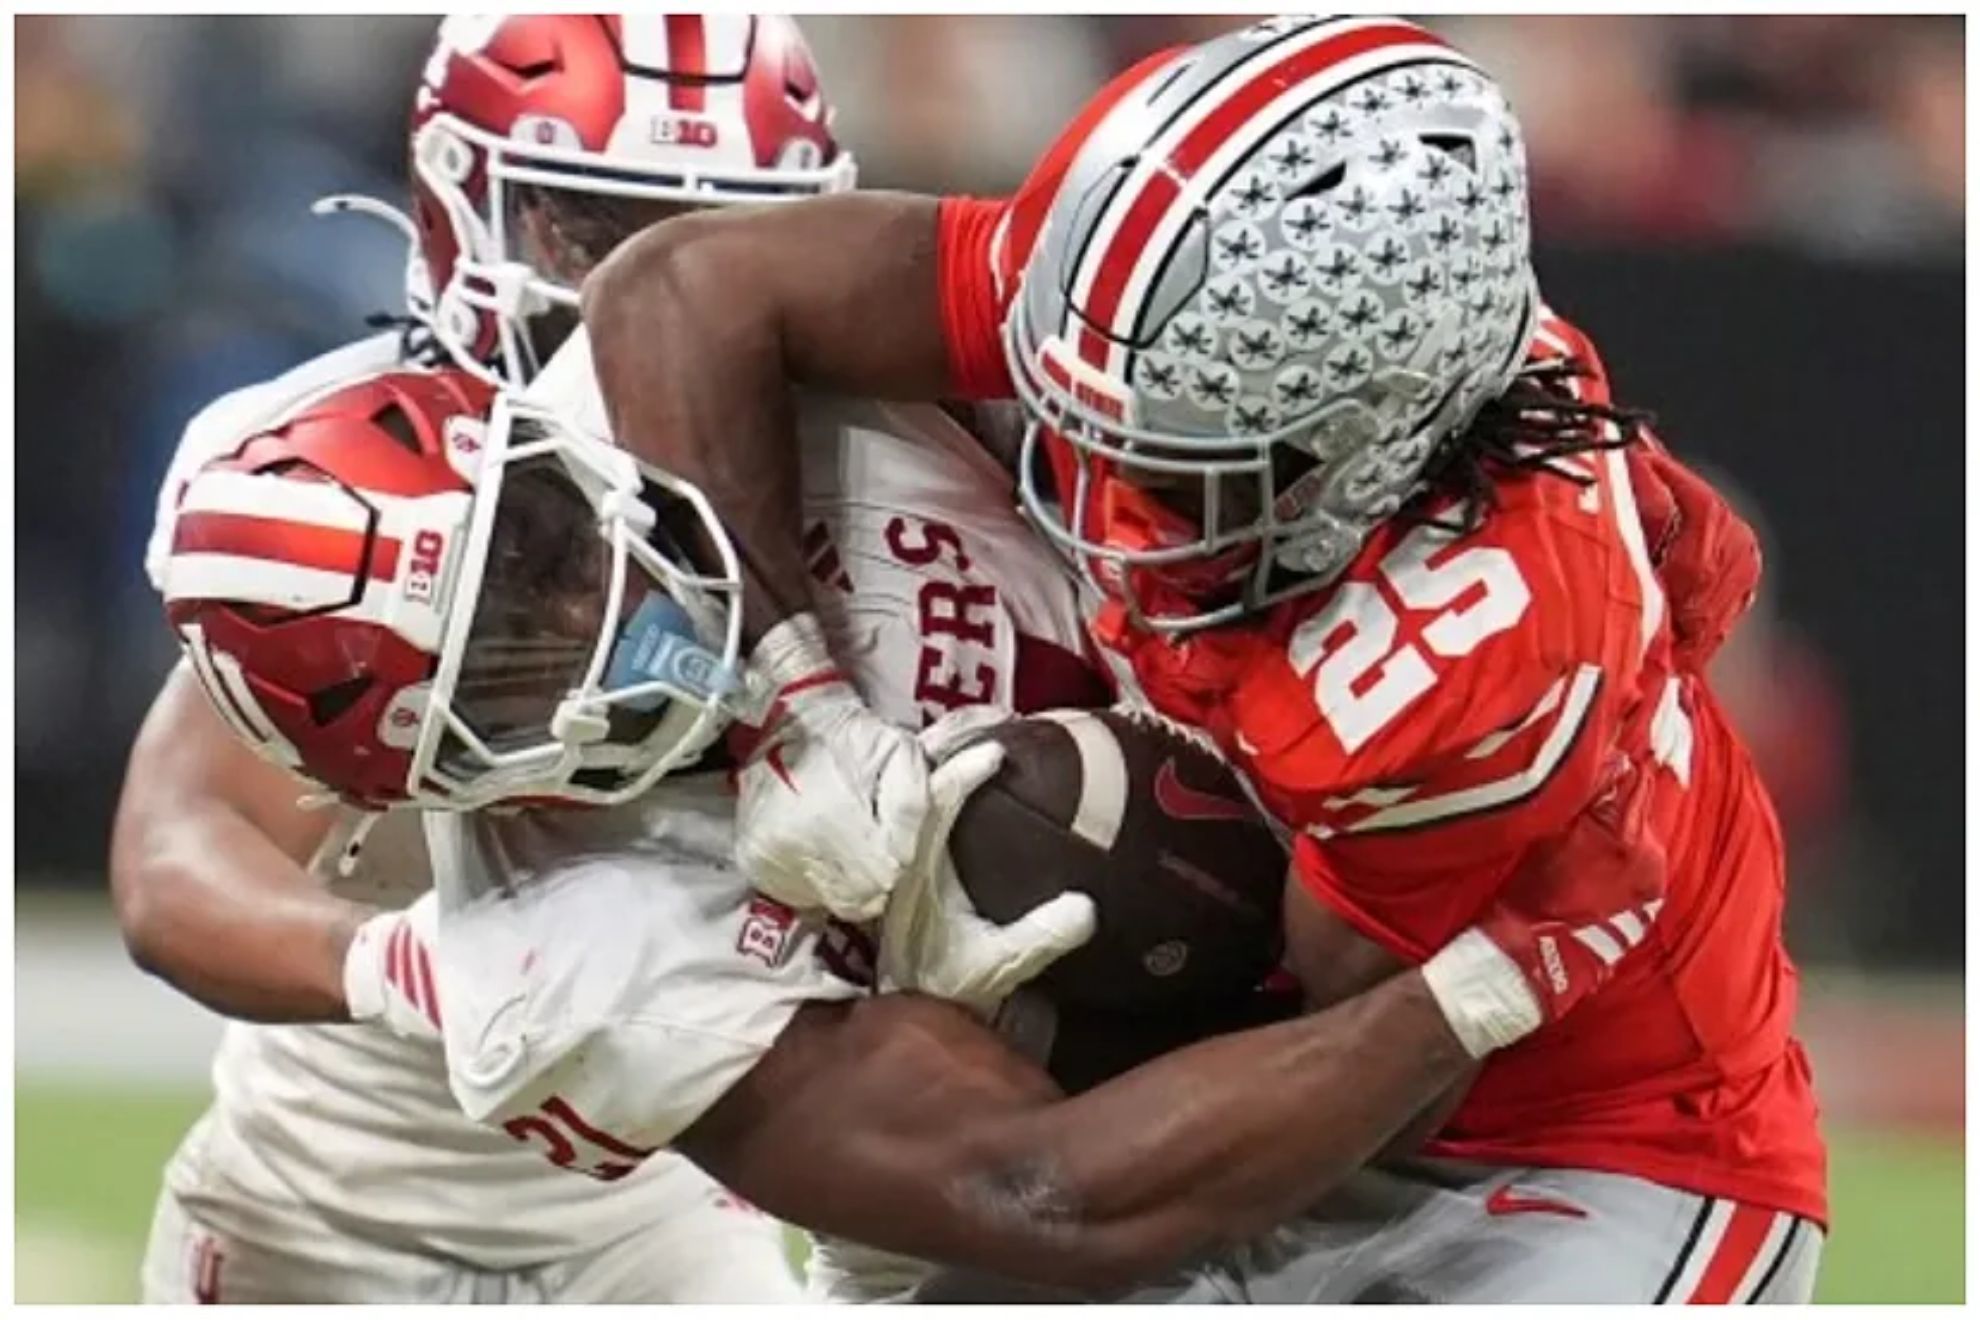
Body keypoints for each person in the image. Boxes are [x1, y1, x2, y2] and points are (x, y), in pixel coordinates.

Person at [577, 14, 1825, 1301]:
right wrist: (793, 694)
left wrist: (972, 997)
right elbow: (678, 289)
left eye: (1175, 469)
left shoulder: (1468, 657)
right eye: (1091, 428)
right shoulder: (1169, 300)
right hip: (1297, 1075)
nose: (1106, 500)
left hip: (1584, 1143)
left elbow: (1328, 1064)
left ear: (1370, 445)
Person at [156, 354, 1666, 1301]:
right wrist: (1477, 982)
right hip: (1078, 1213)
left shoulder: (671, 361)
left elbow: (738, 282)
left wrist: (796, 693)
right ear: (421, 779)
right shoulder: (579, 967)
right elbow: (1049, 1196)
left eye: (543, 542)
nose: (586, 616)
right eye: (504, 662)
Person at [111, 14, 851, 1302]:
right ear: (462, 200)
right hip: (323, 1198)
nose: (668, 284)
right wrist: (405, 969)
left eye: (720, 233)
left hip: (664, 1210)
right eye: (600, 226)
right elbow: (177, 855)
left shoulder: (858, 473)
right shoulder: (383, 466)